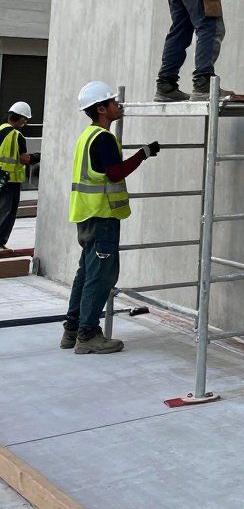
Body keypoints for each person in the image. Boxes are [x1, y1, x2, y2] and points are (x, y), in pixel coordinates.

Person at [63, 81, 160, 354]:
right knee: (101, 276)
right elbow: (115, 173)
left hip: (86, 214)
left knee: (85, 273)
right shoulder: (103, 138)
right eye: (114, 102)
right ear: (101, 109)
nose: (119, 105)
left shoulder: (87, 136)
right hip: (101, 215)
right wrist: (143, 154)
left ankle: (72, 329)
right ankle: (88, 335)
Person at [0, 101, 39, 248]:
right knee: (7, 212)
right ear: (19, 118)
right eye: (24, 119)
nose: (25, 123)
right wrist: (38, 156)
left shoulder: (0, 129)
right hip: (10, 181)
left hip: (1, 178)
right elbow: (25, 159)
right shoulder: (17, 135)